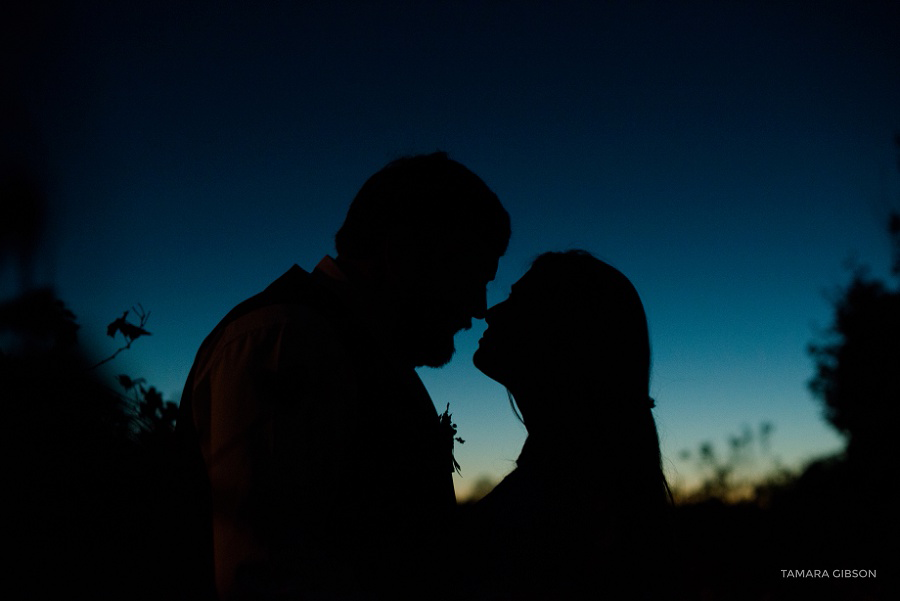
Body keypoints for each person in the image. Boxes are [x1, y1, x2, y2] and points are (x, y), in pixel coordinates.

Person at [175, 152, 510, 600]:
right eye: (467, 273)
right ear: (400, 253)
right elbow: (265, 580)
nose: (479, 306)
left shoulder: (353, 350)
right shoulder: (288, 340)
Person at [464, 250, 672, 600]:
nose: (490, 312)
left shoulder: (559, 509)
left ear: (563, 333)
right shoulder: (585, 485)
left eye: (517, 301)